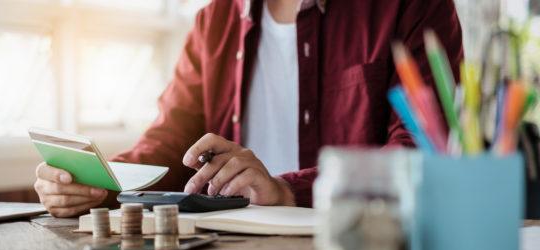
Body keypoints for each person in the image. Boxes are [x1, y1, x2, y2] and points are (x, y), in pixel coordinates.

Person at [34, 0, 463, 218]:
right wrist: (94, 183)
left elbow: (421, 149)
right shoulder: (214, 22)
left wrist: (288, 190)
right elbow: (166, 142)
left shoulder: (413, 5)